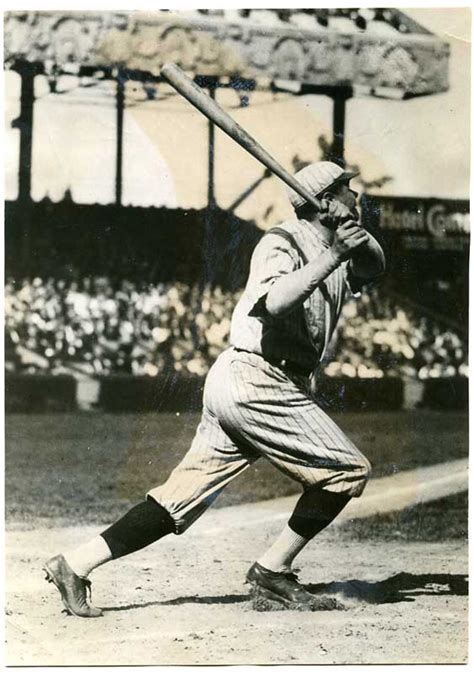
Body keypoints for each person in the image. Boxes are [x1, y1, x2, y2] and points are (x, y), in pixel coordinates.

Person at [44, 161, 386, 617]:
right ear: (324, 202)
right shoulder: (281, 241)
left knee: (180, 499)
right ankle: (273, 571)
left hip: (253, 381)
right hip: (257, 377)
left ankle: (75, 565)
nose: (356, 197)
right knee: (346, 471)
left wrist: (346, 244)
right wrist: (333, 254)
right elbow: (277, 304)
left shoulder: (336, 246)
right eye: (347, 191)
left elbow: (375, 265)